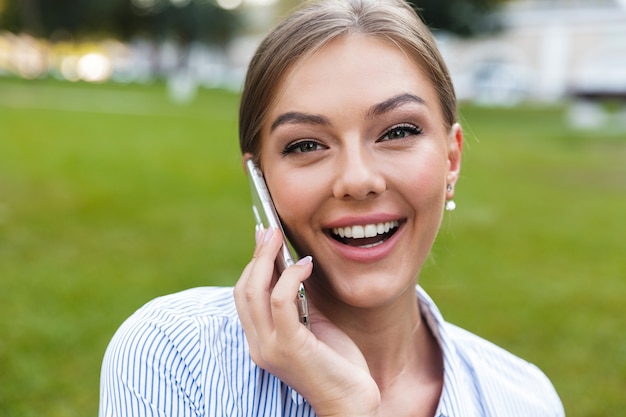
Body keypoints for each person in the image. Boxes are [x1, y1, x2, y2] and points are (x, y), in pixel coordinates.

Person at [99, 0, 565, 416]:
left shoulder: (525, 399)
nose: (358, 180)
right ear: (259, 180)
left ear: (451, 158)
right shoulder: (174, 357)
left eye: (398, 132)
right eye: (306, 144)